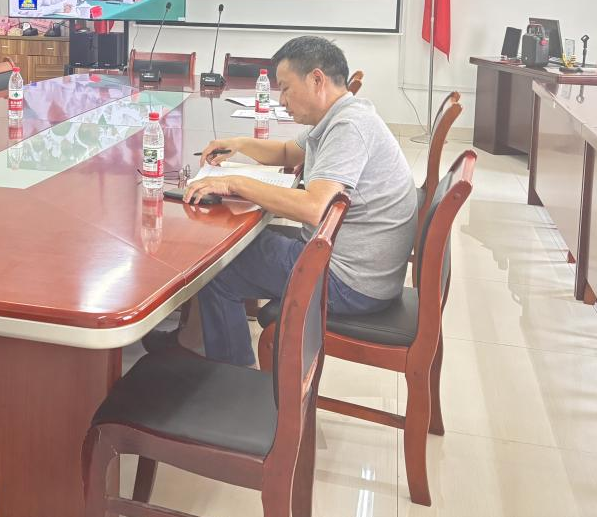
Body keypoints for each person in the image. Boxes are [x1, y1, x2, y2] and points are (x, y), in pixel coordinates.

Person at [167, 36, 417, 367]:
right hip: (355, 265)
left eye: (285, 88)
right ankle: (195, 339)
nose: (281, 100)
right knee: (233, 245)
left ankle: (230, 373)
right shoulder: (340, 114)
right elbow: (287, 152)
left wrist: (235, 182)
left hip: (350, 282)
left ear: (317, 79)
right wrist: (239, 144)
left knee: (219, 266)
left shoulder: (348, 127)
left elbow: (314, 207)